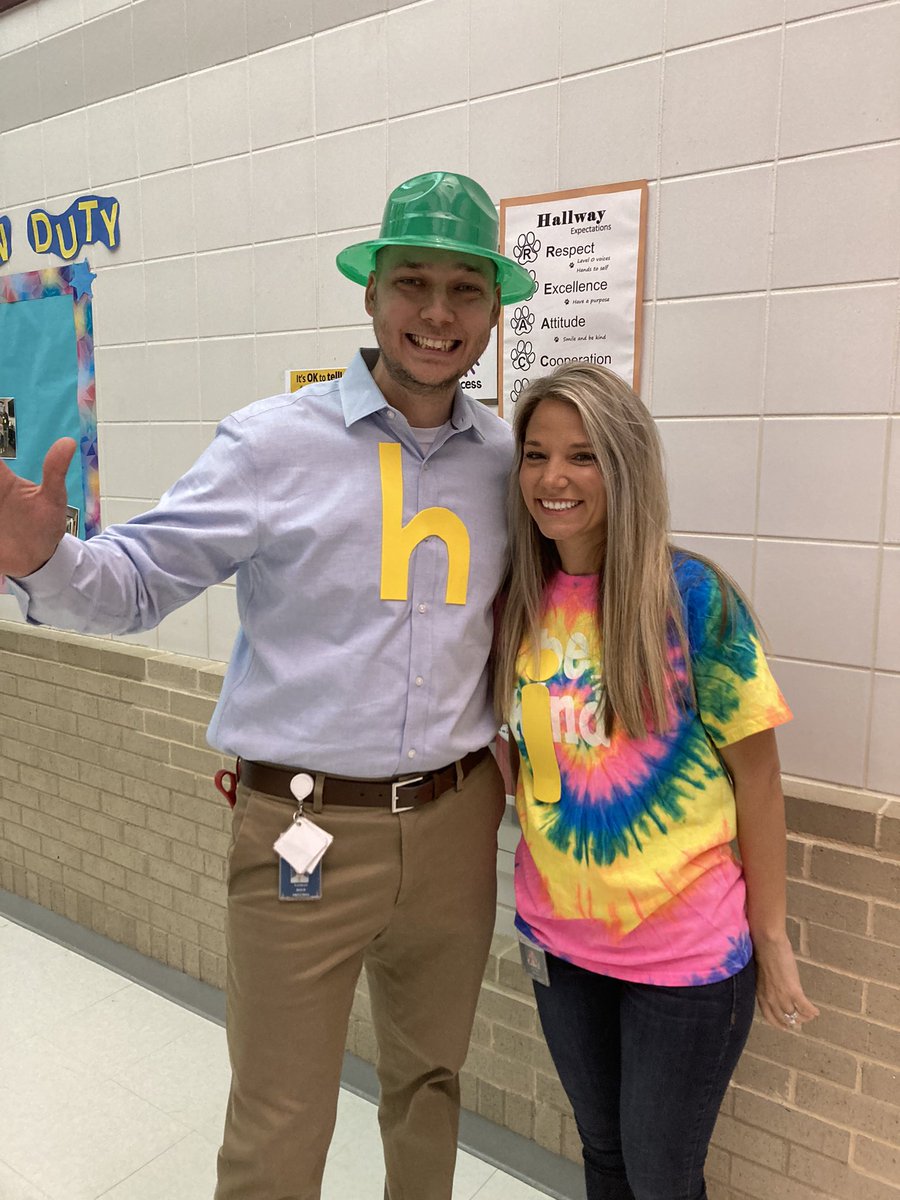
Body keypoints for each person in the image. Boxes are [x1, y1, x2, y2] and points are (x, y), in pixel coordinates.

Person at [0, 171, 537, 1200]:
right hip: (304, 828)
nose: (437, 312)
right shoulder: (271, 444)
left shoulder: (507, 463)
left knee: (431, 1083)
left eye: (465, 289)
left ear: (492, 312)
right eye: (412, 282)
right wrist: (45, 561)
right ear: (370, 294)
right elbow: (136, 585)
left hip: (460, 821)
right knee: (280, 1116)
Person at [493, 363, 818, 1200]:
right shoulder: (520, 601)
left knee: (662, 1176)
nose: (554, 478)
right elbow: (528, 762)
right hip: (560, 945)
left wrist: (773, 939)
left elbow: (760, 782)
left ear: (625, 464)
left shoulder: (693, 599)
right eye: (536, 454)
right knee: (602, 1157)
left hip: (685, 963)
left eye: (583, 455)